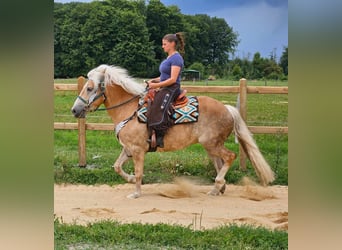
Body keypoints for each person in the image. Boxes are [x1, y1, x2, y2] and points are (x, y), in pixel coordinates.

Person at [146, 32, 185, 148]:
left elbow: (173, 79)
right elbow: (164, 76)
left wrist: (155, 86)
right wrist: (153, 81)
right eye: (162, 44)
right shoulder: (169, 58)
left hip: (172, 88)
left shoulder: (177, 58)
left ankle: (160, 137)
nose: (163, 46)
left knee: (158, 106)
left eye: (165, 44)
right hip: (165, 87)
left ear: (172, 44)